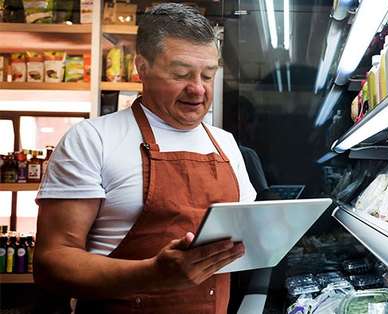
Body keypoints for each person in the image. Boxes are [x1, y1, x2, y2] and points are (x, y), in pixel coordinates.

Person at [33, 3, 256, 313]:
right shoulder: (92, 139)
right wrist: (153, 274)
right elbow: (51, 263)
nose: (198, 89)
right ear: (142, 68)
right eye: (181, 74)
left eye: (207, 75)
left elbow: (244, 243)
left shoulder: (226, 144)